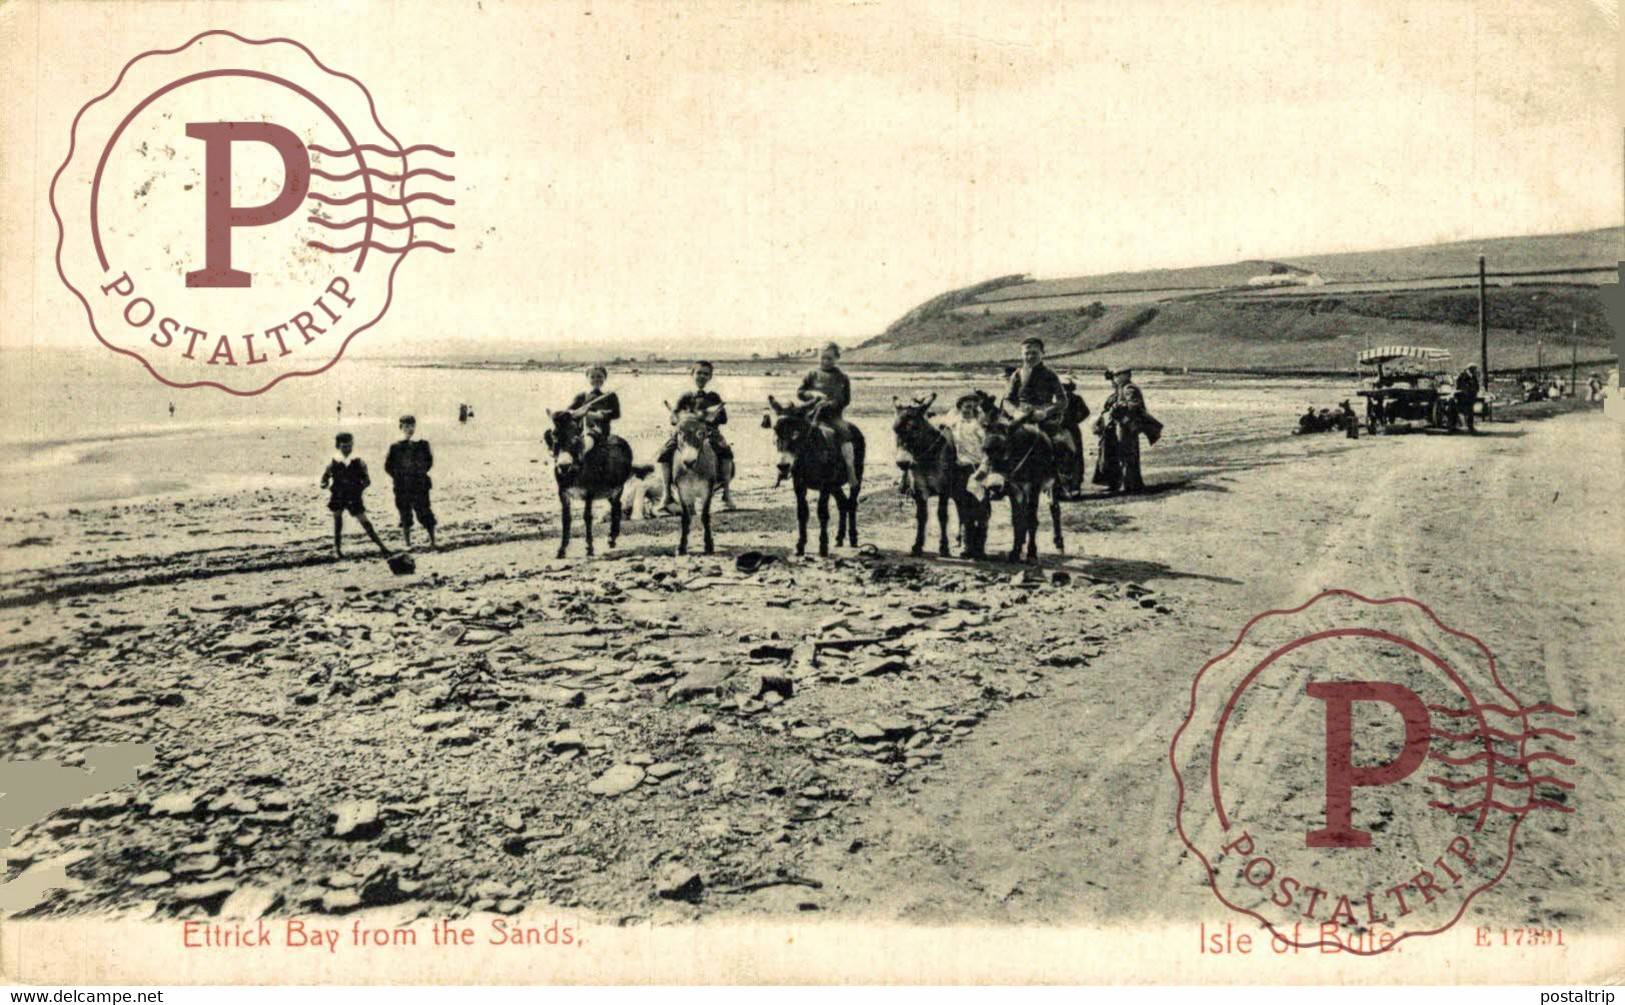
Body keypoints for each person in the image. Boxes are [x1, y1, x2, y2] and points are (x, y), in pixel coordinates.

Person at [1002, 337, 1079, 498]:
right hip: (1020, 417)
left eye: (1034, 353)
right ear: (1021, 354)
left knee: (1063, 445)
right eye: (1026, 353)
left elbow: (1062, 401)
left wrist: (1045, 412)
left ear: (1042, 354)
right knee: (998, 443)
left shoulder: (1050, 374)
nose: (1030, 356)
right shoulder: (1017, 374)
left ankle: (1063, 482)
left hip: (1043, 418)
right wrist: (1015, 412)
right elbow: (1007, 400)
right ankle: (1000, 482)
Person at [658, 360, 735, 513]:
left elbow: (723, 418)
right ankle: (667, 495)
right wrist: (679, 417)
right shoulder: (685, 396)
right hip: (686, 433)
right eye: (699, 373)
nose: (702, 376)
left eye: (706, 374)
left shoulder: (713, 397)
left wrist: (709, 417)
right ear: (692, 374)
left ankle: (726, 493)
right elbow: (674, 420)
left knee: (726, 452)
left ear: (710, 377)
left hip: (708, 432)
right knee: (664, 453)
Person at [321, 432, 391, 560]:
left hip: (354, 497)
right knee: (338, 522)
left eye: (349, 446)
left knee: (365, 522)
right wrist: (326, 486)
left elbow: (367, 481)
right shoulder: (333, 463)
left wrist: (359, 489)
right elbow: (324, 479)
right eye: (344, 446)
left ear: (352, 445)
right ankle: (337, 550)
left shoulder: (359, 462)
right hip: (338, 495)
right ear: (338, 446)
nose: (347, 449)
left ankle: (382, 547)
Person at [797, 342, 858, 490]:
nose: (825, 361)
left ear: (837, 358)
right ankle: (789, 469)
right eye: (822, 358)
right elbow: (800, 392)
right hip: (811, 414)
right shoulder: (811, 374)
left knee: (845, 435)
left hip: (832, 417)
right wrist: (812, 394)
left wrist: (832, 403)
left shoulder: (842, 377)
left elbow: (846, 399)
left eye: (829, 358)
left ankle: (850, 471)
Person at [384, 415, 437, 549]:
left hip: (420, 485)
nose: (410, 429)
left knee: (425, 512)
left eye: (412, 426)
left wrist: (419, 474)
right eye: (406, 426)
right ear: (400, 427)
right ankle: (408, 543)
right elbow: (388, 466)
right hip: (402, 486)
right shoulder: (395, 446)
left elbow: (429, 462)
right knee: (405, 514)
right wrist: (399, 477)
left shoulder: (423, 444)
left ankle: (433, 541)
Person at [1104, 368, 1160, 493]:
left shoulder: (1129, 388)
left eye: (1117, 375)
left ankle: (1131, 484)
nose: (1115, 378)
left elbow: (1134, 405)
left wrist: (1119, 405)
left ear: (1125, 375)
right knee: (1126, 453)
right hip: (1125, 425)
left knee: (1127, 453)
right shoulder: (1123, 388)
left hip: (1127, 426)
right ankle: (1130, 483)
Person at [566, 364, 622, 458]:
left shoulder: (610, 395)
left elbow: (616, 413)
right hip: (580, 429)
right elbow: (569, 412)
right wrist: (578, 413)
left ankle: (581, 456)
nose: (596, 379)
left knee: (589, 438)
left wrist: (599, 415)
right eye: (593, 377)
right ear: (588, 378)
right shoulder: (582, 396)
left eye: (600, 376)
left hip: (600, 430)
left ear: (605, 377)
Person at [1092, 369, 1123, 492]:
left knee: (1109, 455)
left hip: (1112, 429)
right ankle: (1111, 482)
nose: (1112, 384)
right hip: (1108, 428)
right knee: (1107, 455)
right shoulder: (1116, 395)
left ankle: (1113, 482)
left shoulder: (1118, 395)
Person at [1453, 365, 1479, 434]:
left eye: (1475, 370)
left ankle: (1470, 427)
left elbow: (1477, 386)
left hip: (1470, 396)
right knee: (1460, 410)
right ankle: (1454, 426)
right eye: (1473, 369)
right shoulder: (1462, 376)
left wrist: (1474, 391)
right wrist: (1467, 390)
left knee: (1470, 411)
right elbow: (1459, 386)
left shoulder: (1473, 377)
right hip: (1462, 397)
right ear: (1469, 369)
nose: (1475, 371)